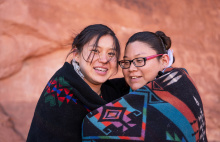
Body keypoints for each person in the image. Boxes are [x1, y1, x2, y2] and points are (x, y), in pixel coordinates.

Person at [82, 31, 208, 142]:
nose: (131, 69)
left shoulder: (181, 89)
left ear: (163, 61)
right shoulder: (117, 90)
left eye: (140, 60)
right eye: (127, 62)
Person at [26, 24, 123, 142]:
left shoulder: (116, 94)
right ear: (76, 54)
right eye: (95, 51)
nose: (104, 60)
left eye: (111, 54)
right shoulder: (61, 92)